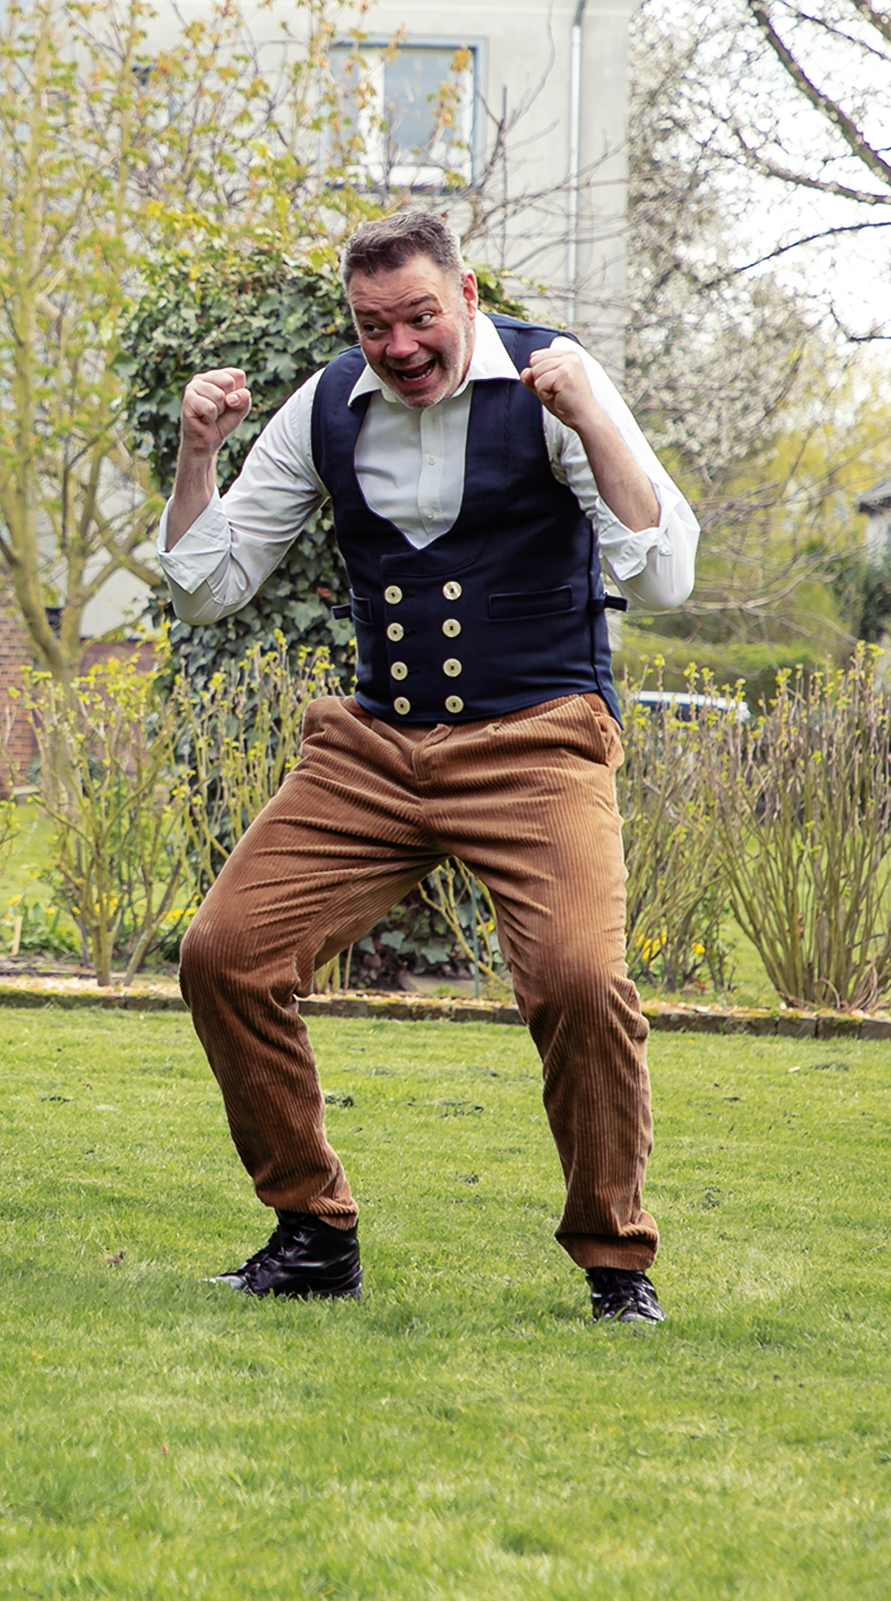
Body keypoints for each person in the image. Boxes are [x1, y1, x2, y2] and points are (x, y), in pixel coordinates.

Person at [160, 211, 698, 1325]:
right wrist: (196, 452)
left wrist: (594, 419)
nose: (397, 345)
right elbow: (208, 587)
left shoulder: (553, 383)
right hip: (374, 748)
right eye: (372, 326)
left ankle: (615, 1259)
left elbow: (662, 579)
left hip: (536, 742)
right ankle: (312, 1232)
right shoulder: (323, 406)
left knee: (579, 981)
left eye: (417, 317)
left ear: (464, 295)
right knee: (224, 955)